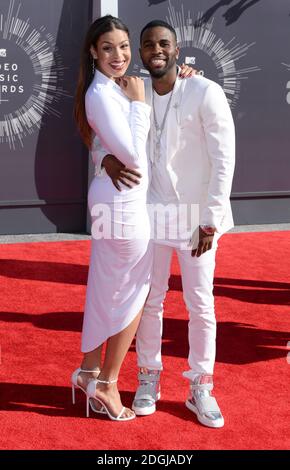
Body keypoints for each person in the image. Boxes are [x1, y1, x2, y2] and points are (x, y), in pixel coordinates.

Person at [97, 20, 235, 428]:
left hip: (195, 216)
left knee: (200, 303)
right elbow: (103, 134)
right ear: (140, 52)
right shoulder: (131, 91)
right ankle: (148, 379)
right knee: (149, 300)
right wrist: (103, 158)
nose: (155, 50)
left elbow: (223, 160)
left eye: (163, 44)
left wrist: (210, 220)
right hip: (149, 212)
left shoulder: (204, 91)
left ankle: (200, 386)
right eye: (147, 45)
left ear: (177, 50)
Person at [71, 16, 194, 422]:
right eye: (108, 48)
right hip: (123, 205)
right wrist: (139, 105)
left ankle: (89, 371)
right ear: (93, 52)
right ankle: (106, 383)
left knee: (105, 288)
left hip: (116, 198)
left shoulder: (114, 88)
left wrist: (183, 74)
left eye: (124, 47)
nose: (119, 55)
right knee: (136, 292)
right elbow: (133, 157)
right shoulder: (104, 94)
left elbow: (107, 144)